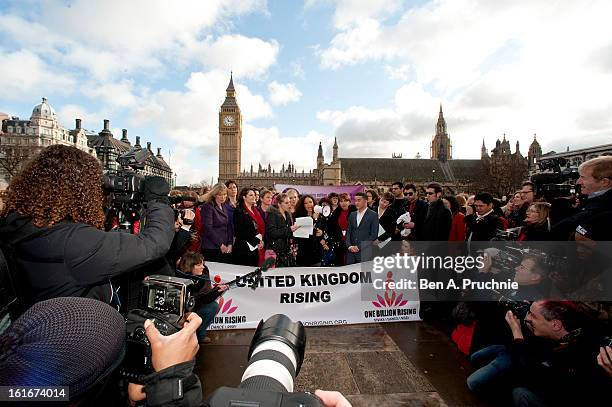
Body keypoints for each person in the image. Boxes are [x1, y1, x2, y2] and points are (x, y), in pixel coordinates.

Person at [0, 145, 175, 308]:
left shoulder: (20, 224)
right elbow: (154, 244)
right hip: (80, 333)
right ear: (82, 191)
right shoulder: (73, 242)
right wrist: (158, 201)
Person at [551, 156, 612, 240]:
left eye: (583, 178)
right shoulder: (590, 201)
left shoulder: (604, 212)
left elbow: (560, 231)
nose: (578, 182)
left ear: (604, 182)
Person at [176, 251, 228, 344]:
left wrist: (217, 291)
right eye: (199, 265)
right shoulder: (179, 278)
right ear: (190, 266)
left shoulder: (203, 276)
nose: (203, 267)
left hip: (195, 307)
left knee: (213, 306)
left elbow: (204, 299)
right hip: (180, 311)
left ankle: (200, 334)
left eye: (203, 264)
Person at [201, 183, 233, 263]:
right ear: (214, 195)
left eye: (224, 194)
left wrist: (230, 243)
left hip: (225, 247)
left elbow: (229, 226)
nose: (223, 197)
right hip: (211, 247)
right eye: (220, 195)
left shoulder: (224, 206)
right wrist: (220, 244)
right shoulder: (208, 206)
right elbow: (208, 228)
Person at [266, 192, 300, 267]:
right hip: (274, 251)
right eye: (286, 203)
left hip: (285, 252)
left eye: (289, 202)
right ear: (279, 204)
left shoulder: (288, 215)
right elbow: (272, 233)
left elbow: (288, 232)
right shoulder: (272, 215)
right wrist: (289, 229)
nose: (289, 204)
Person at [233, 188, 264, 266]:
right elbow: (239, 231)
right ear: (244, 197)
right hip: (244, 249)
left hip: (256, 247)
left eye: (254, 195)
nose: (254, 197)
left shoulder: (256, 210)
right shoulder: (239, 211)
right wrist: (257, 240)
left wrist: (261, 240)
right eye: (251, 195)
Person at [346, 192, 379, 264]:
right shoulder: (352, 214)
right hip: (351, 253)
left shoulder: (373, 215)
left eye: (359, 200)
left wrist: (359, 247)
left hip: (365, 252)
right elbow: (348, 231)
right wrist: (349, 246)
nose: (356, 202)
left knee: (365, 274)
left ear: (365, 201)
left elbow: (373, 235)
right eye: (355, 200)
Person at [327, 193, 356, 266]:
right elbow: (331, 228)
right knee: (341, 262)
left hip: (353, 241)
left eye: (346, 201)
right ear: (339, 203)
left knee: (352, 263)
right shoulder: (335, 213)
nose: (343, 203)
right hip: (340, 242)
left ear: (349, 202)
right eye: (341, 201)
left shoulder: (355, 211)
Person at [294, 194, 322, 266]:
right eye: (306, 203)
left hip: (316, 254)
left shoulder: (320, 216)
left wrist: (321, 232)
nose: (309, 204)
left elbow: (324, 229)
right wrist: (313, 219)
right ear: (302, 205)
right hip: (303, 254)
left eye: (310, 202)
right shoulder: (298, 217)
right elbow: (305, 234)